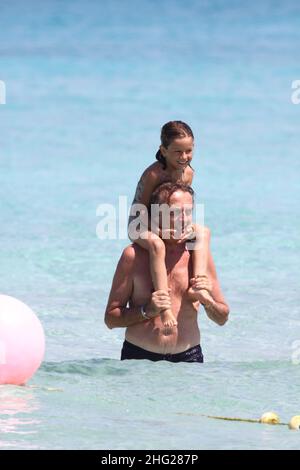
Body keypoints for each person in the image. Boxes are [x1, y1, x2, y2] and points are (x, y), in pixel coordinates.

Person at [105, 182, 229, 363]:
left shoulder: (197, 256)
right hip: (139, 358)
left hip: (189, 358)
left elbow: (222, 318)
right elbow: (110, 319)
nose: (183, 219)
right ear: (156, 215)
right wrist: (146, 311)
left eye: (188, 212)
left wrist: (207, 301)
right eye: (174, 213)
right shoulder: (133, 256)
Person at [128, 120, 212, 329]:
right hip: (140, 225)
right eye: (177, 152)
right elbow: (140, 213)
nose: (184, 157)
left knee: (202, 232)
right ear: (163, 150)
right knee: (157, 245)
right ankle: (164, 307)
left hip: (168, 224)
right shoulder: (153, 175)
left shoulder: (188, 173)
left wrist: (185, 228)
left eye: (189, 151)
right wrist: (159, 231)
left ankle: (199, 285)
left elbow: (182, 205)